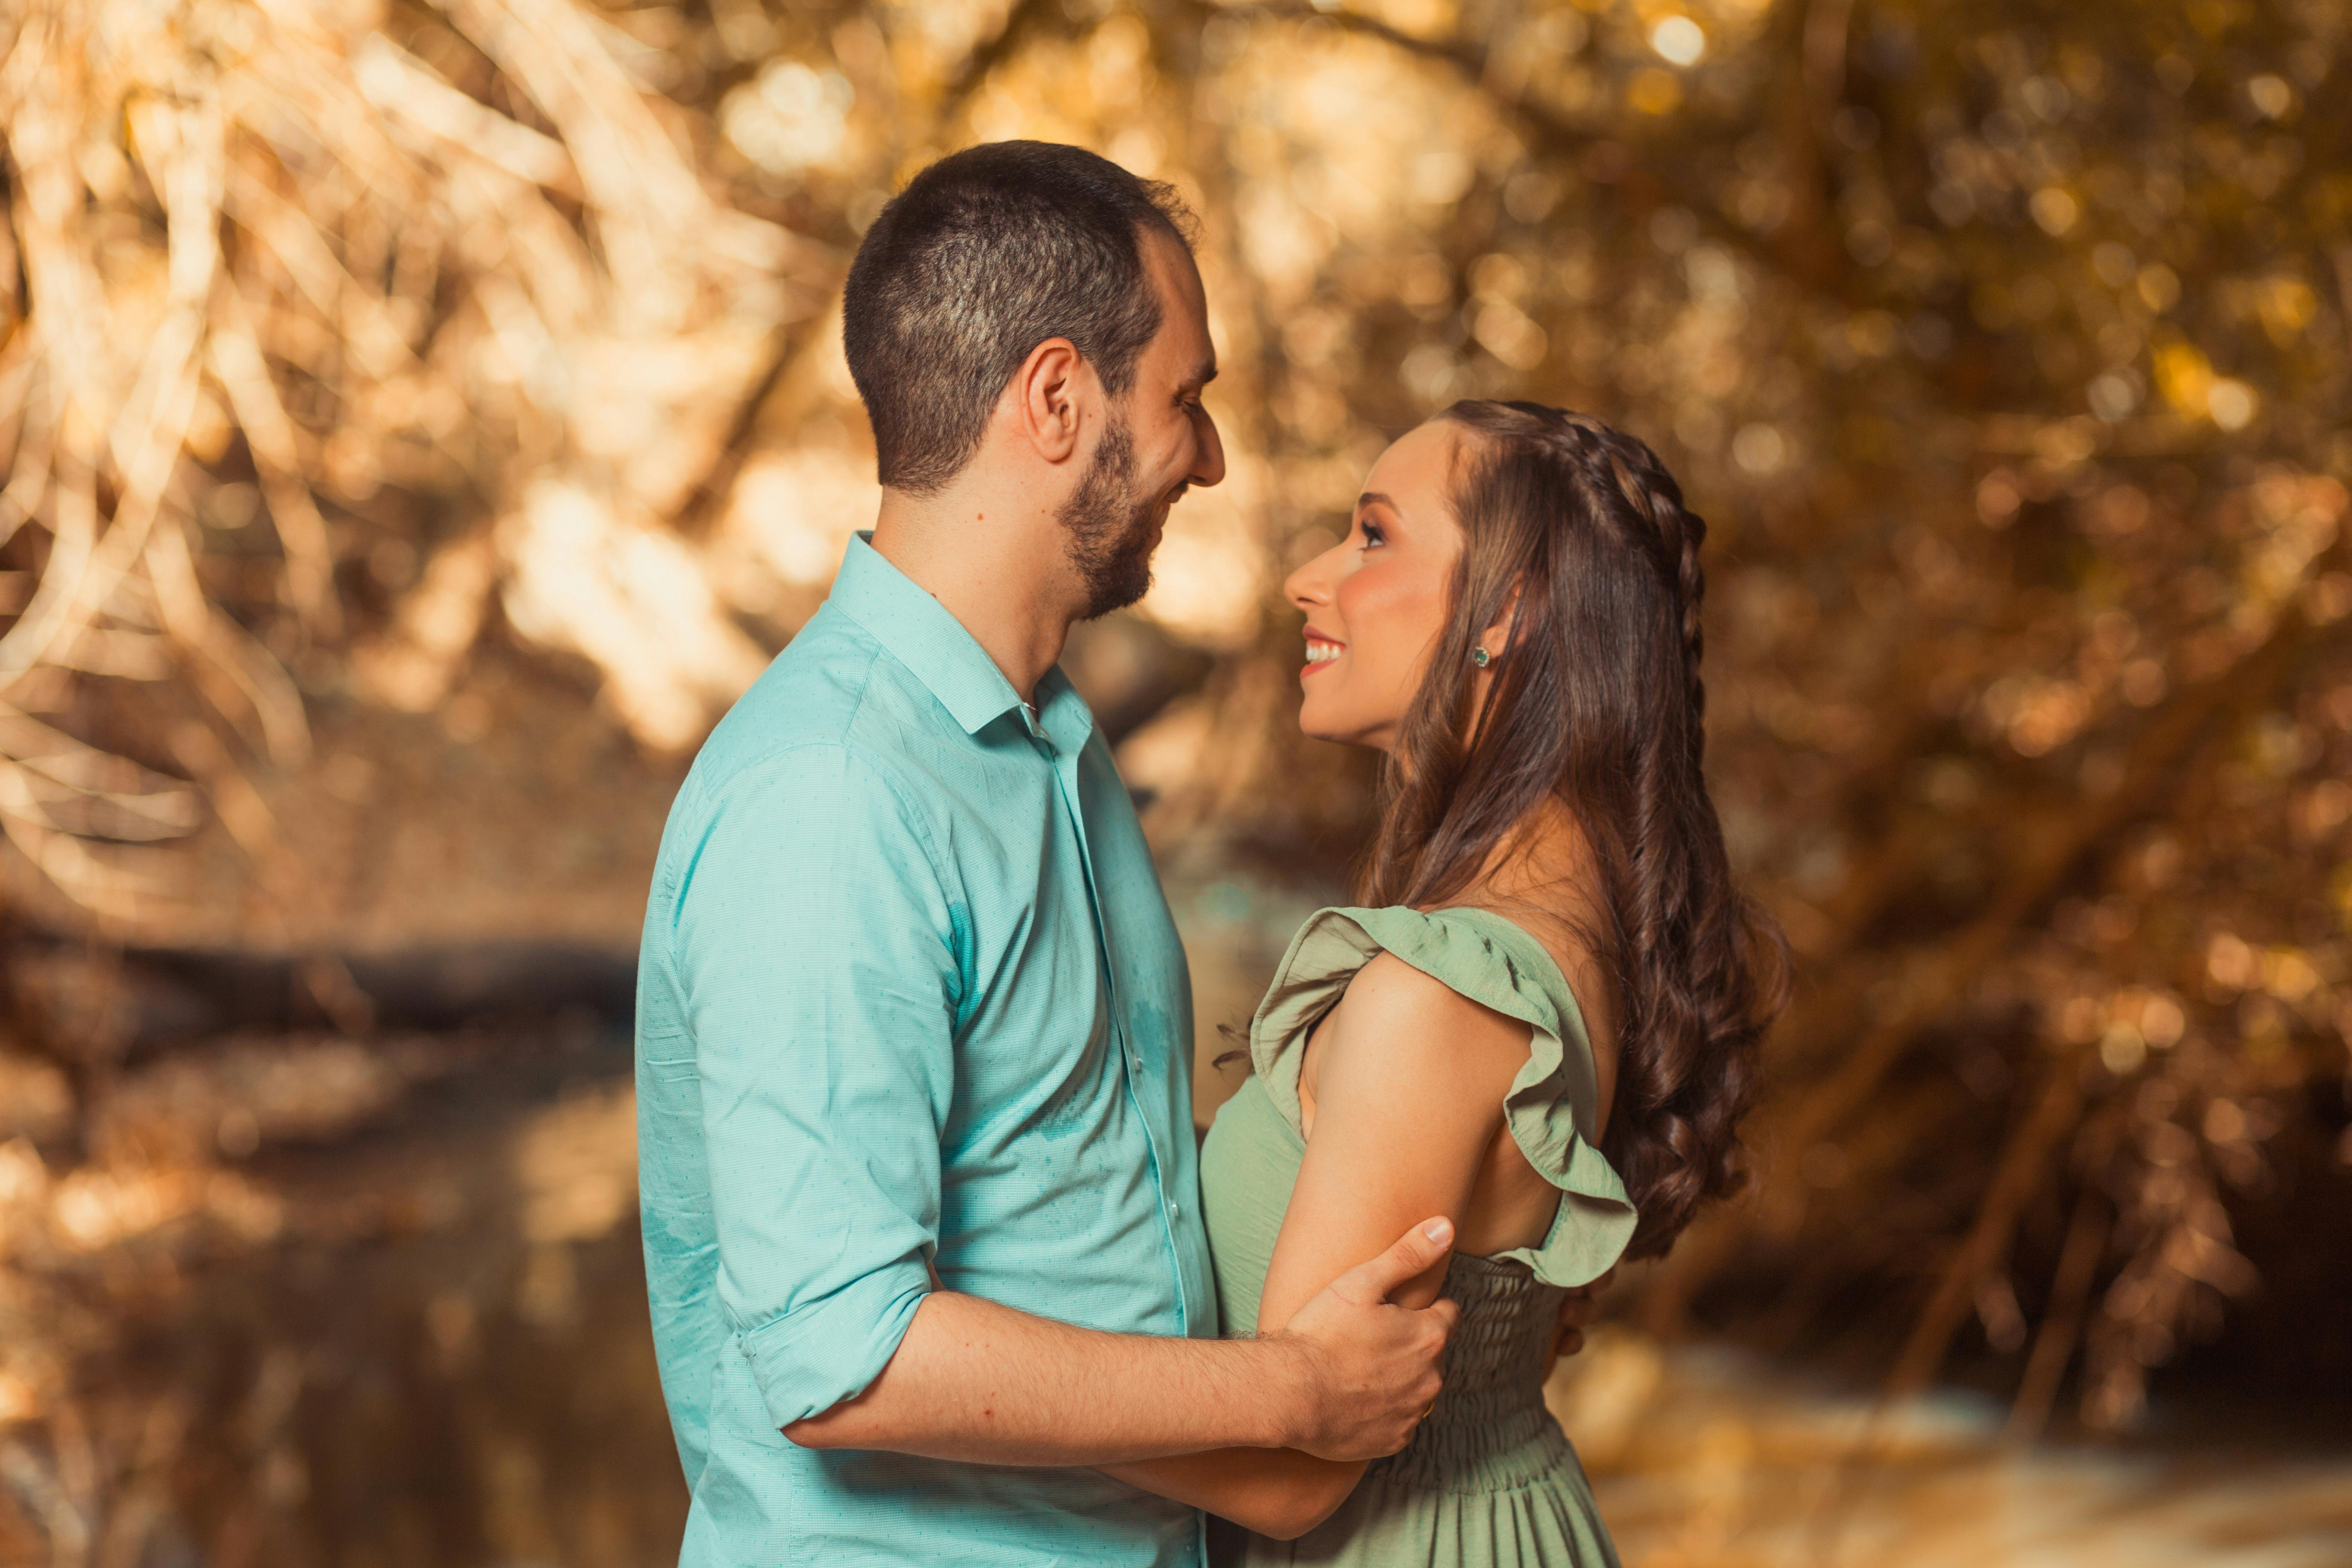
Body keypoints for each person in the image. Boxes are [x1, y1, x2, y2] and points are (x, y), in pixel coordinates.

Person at [633, 140, 1469, 1568]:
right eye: (1186, 400)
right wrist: (1295, 1392)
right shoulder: (833, 797)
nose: (1212, 457)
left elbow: (1090, 1187)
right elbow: (840, 1357)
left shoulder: (1052, 741)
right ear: (1060, 398)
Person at [1102, 402, 1787, 1564]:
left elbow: (1286, 1475)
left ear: (1508, 611)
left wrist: (951, 1393)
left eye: (1373, 535)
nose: (1308, 580)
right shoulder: (1572, 933)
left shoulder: (1439, 994)